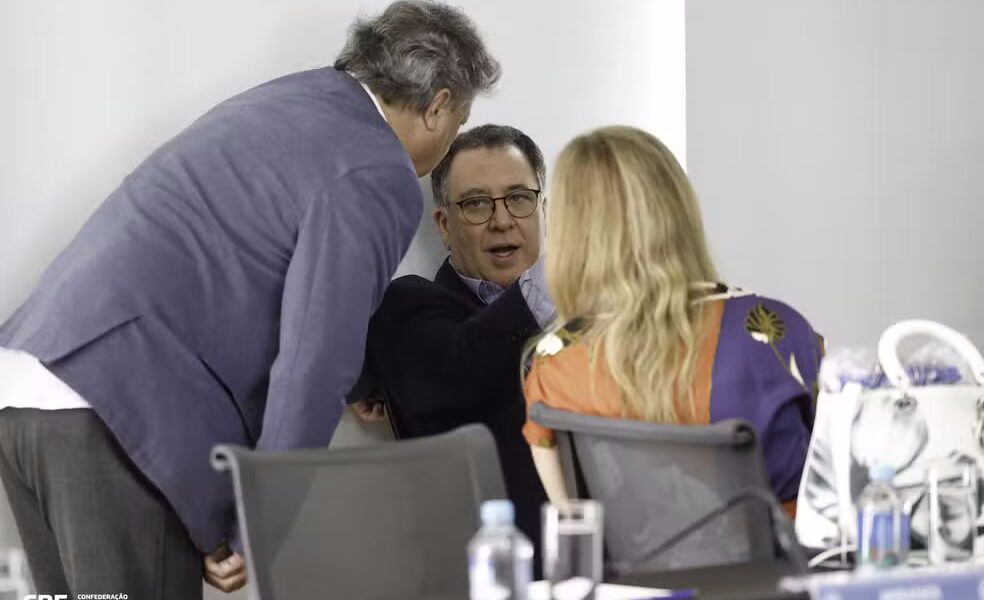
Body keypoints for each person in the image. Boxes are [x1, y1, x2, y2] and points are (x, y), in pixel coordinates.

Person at [0, 1, 499, 596]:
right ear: (438, 105)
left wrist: (367, 381)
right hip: (115, 416)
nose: (451, 139)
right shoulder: (378, 170)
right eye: (460, 122)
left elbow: (255, 269)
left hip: (29, 380)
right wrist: (259, 521)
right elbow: (315, 361)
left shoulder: (288, 100)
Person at [522, 126, 822, 518]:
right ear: (679, 210)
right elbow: (837, 485)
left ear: (571, 235)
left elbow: (571, 518)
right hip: (780, 572)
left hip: (634, 579)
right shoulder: (777, 332)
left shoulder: (552, 363)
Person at [359, 124, 551, 560]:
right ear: (445, 225)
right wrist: (564, 274)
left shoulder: (590, 315)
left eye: (519, 198)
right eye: (477, 204)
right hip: (479, 572)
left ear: (544, 210)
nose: (503, 221)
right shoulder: (407, 307)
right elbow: (466, 367)